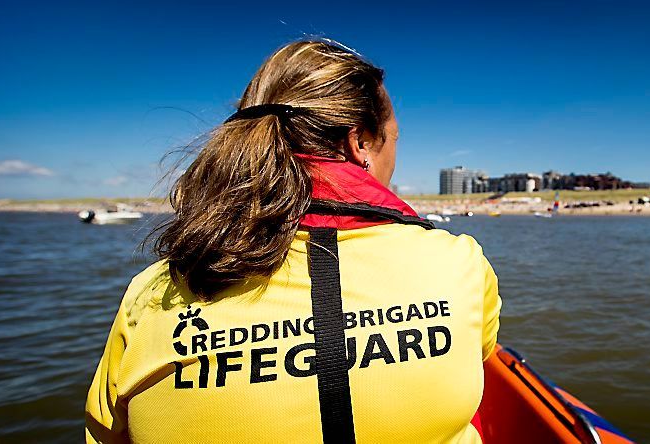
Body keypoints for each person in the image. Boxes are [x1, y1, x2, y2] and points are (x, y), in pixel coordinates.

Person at [85, 39, 502, 444]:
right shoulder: (456, 261)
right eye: (394, 138)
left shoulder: (153, 293)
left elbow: (107, 435)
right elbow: (475, 361)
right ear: (359, 143)